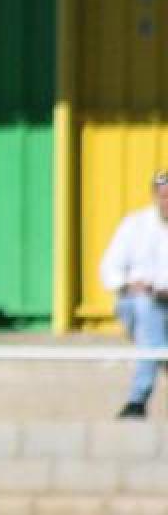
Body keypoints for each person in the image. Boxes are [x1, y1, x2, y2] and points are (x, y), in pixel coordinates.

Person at [99, 170, 168, 418]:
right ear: (155, 196)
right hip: (136, 305)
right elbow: (109, 269)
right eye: (164, 197)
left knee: (152, 329)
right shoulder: (135, 224)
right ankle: (141, 391)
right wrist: (131, 284)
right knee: (145, 307)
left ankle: (137, 402)